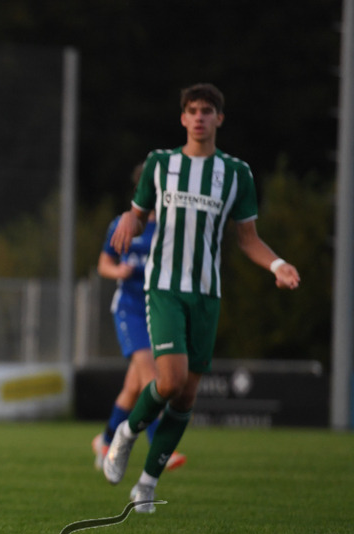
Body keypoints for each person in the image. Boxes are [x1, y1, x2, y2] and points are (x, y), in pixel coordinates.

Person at [103, 83, 300, 512]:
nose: (198, 117)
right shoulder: (160, 164)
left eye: (206, 111)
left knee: (187, 396)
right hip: (165, 289)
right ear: (182, 118)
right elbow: (138, 219)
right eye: (192, 110)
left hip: (207, 294)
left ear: (218, 119)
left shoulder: (236, 173)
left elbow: (248, 239)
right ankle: (125, 435)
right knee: (169, 381)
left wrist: (277, 265)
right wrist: (126, 221)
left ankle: (147, 486)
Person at [91, 166, 185, 473]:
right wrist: (118, 271)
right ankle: (161, 446)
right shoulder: (123, 224)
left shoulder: (172, 230)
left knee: (132, 390)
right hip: (129, 310)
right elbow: (104, 263)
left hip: (157, 313)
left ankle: (104, 440)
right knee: (152, 378)